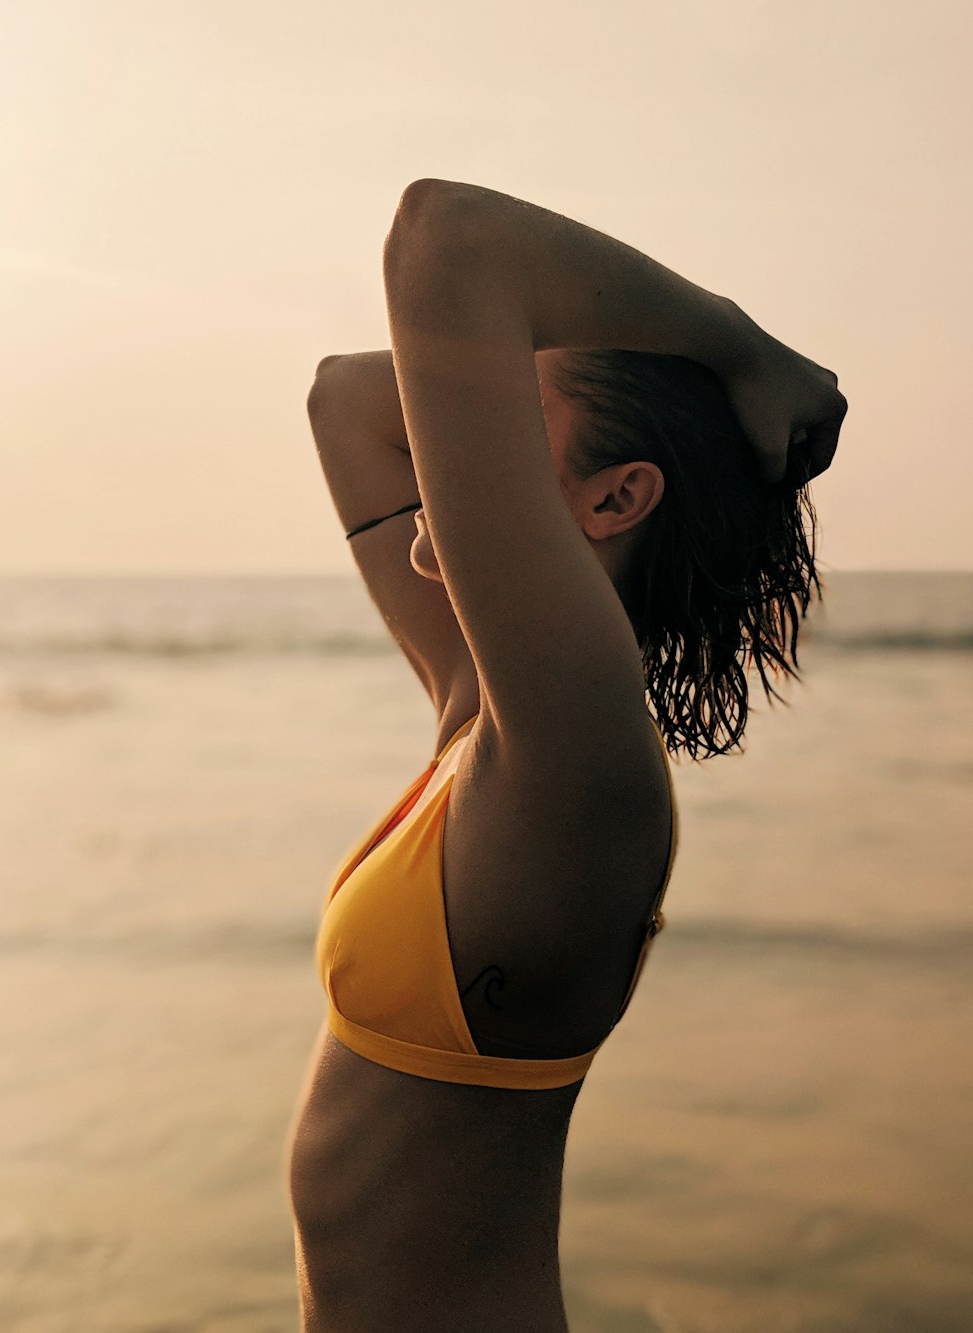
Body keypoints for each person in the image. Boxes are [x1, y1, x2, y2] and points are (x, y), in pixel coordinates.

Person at [285, 179, 847, 1332]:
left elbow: (444, 235)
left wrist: (736, 351)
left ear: (616, 497)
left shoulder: (576, 756)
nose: (458, 431)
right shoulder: (480, 721)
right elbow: (345, 399)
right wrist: (508, 389)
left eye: (498, 414)